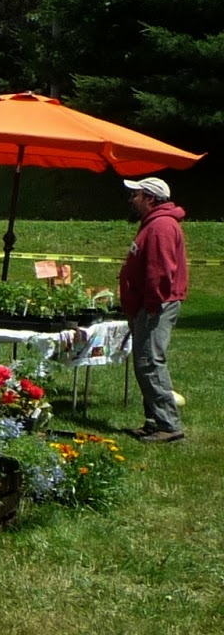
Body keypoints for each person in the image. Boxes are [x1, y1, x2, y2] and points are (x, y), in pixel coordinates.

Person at [119, 177, 189, 443]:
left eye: (135, 195)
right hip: (150, 305)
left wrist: (149, 307)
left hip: (156, 305)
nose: (131, 199)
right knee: (145, 362)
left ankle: (168, 426)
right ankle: (154, 422)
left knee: (150, 362)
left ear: (150, 198)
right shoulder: (154, 224)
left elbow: (160, 273)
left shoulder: (160, 227)